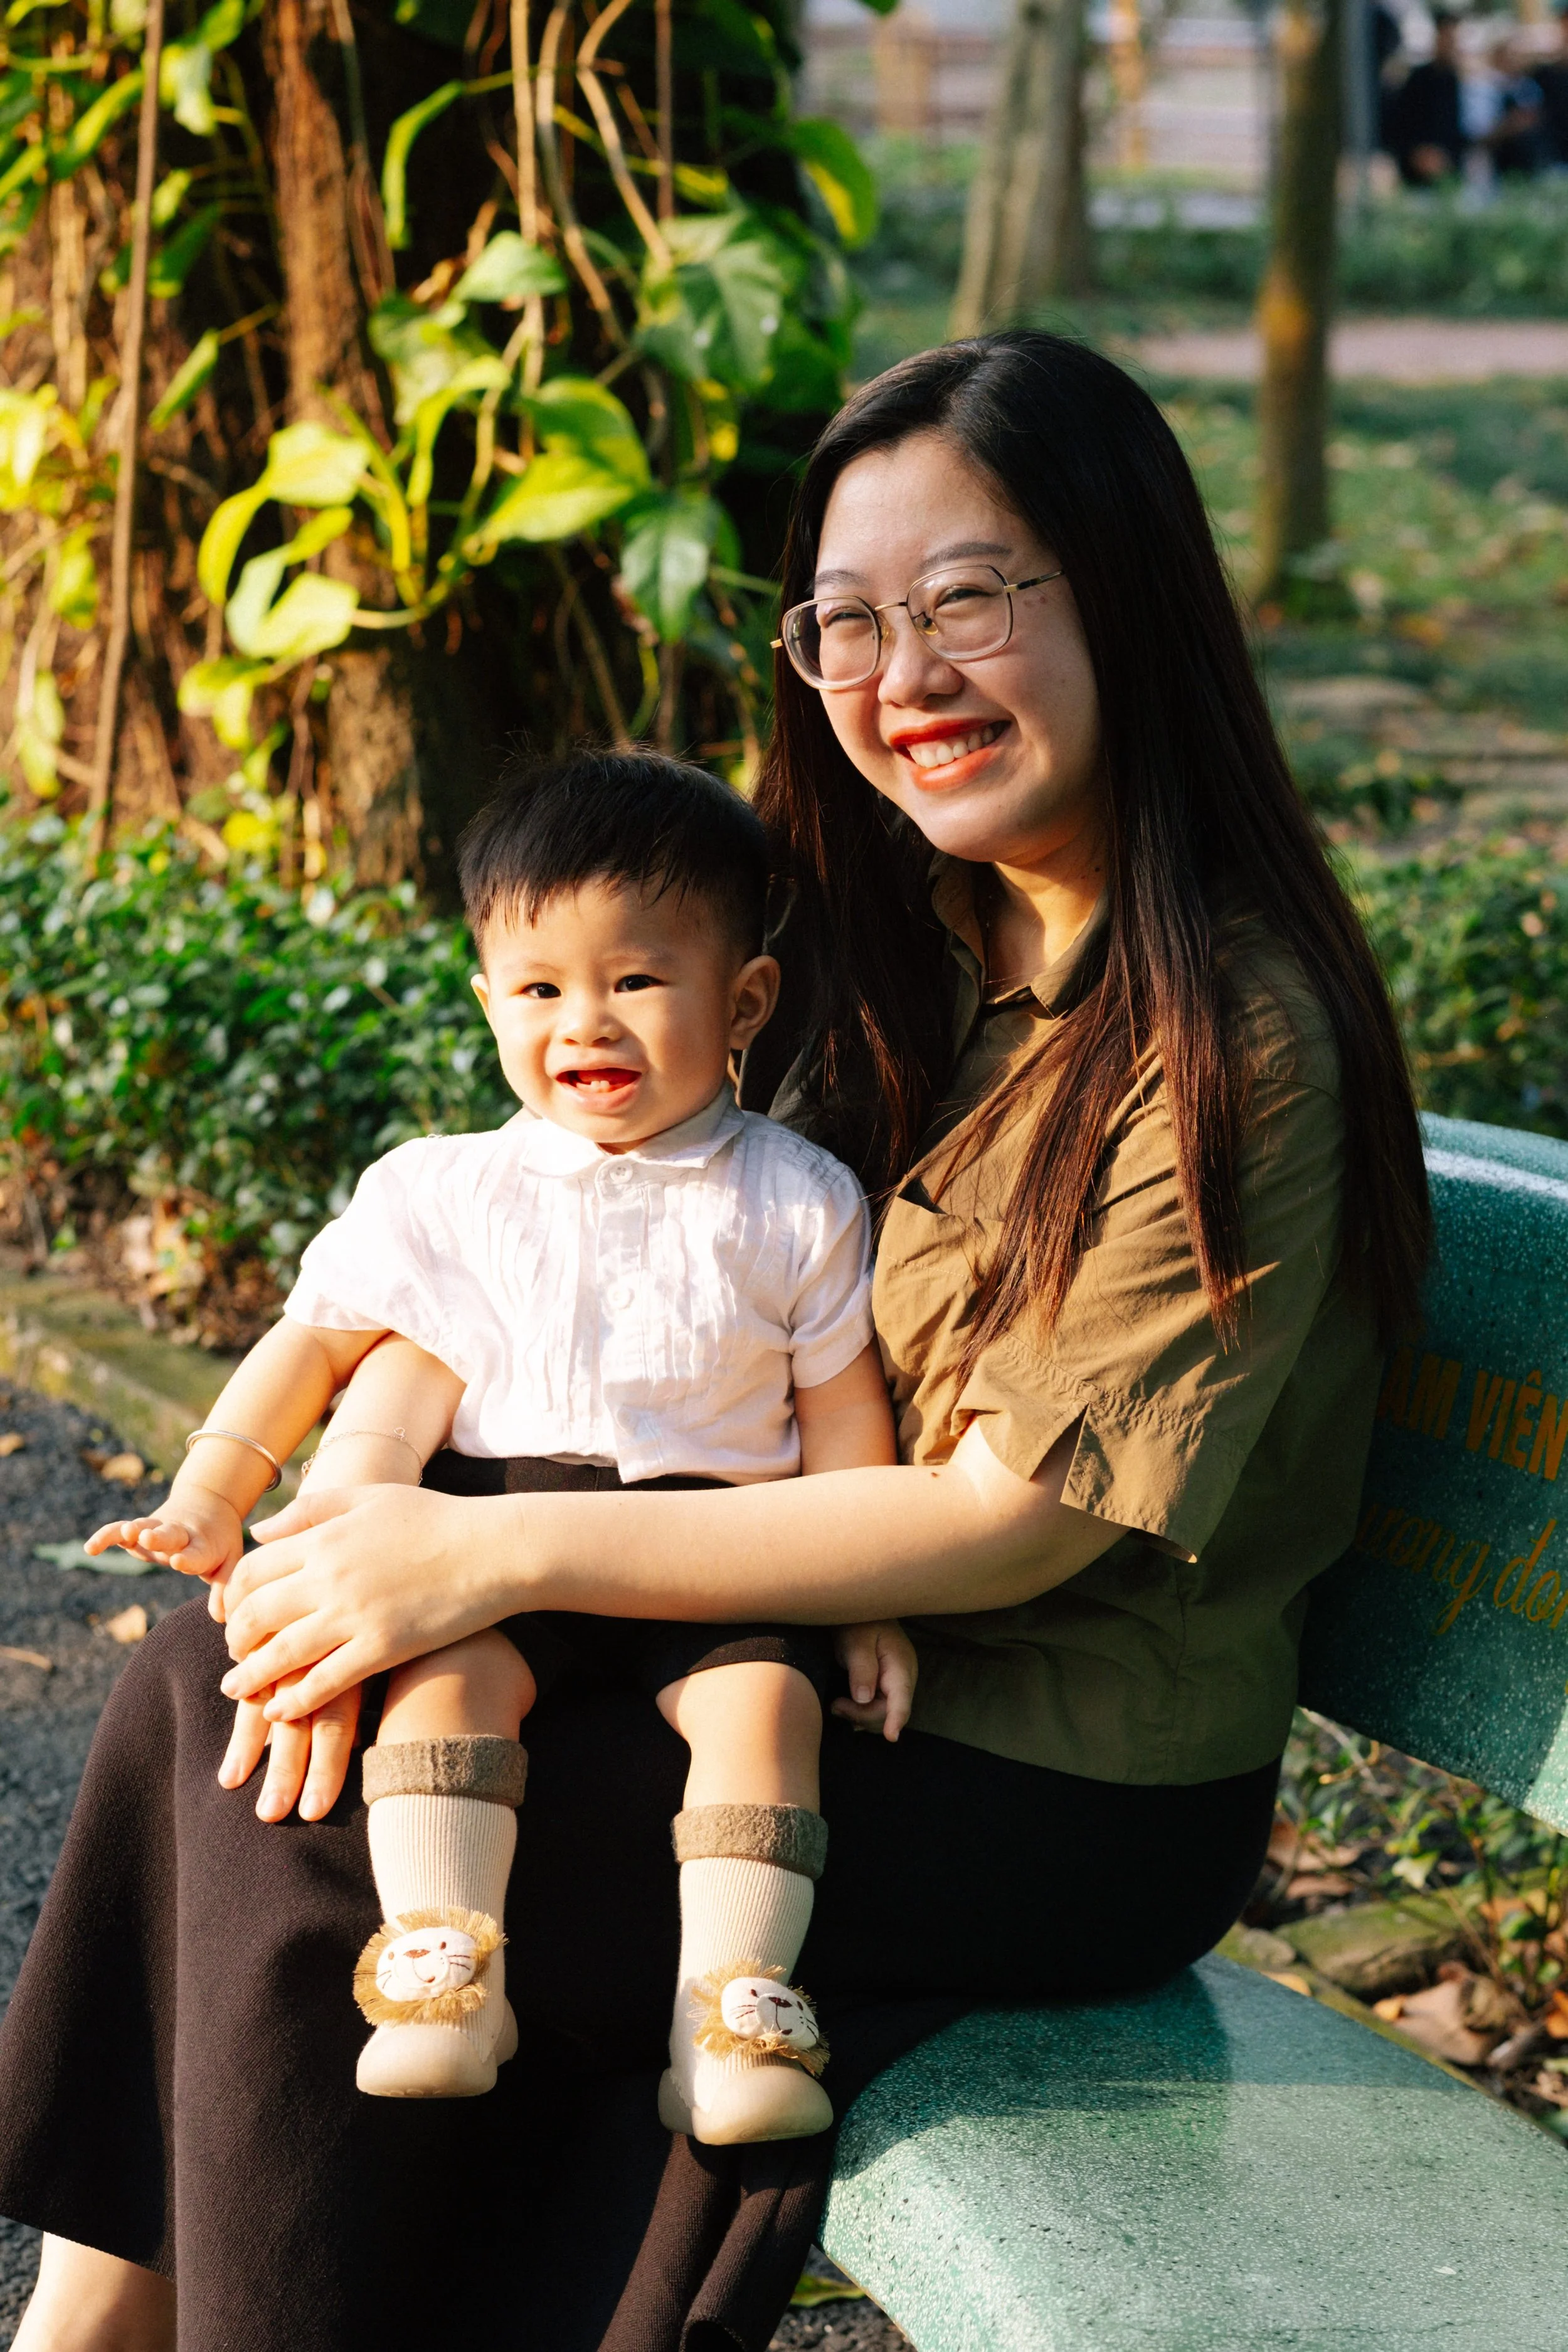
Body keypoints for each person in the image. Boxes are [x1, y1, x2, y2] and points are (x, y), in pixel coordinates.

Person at [0, 330, 1433, 2352]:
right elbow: (560, 1277)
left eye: (967, 598)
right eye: (847, 623)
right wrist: (364, 1512)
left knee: (318, 1848)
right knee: (218, 1681)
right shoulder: (890, 944)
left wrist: (484, 1552)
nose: (902, 678)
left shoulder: (1230, 1035)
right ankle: (98, 2321)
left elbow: (1004, 1530)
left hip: (1043, 1767)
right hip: (787, 1645)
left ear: (1120, 595)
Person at [83, 749, 914, 2139]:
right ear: (486, 1003)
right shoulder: (444, 1191)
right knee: (445, 1690)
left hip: (718, 1545)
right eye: (538, 989)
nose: (585, 1022)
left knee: (762, 1714)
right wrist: (212, 1489)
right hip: (493, 1533)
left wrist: (872, 1597)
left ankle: (730, 2010)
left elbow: (842, 1417)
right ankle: (445, 1966)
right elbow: (315, 1343)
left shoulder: (795, 1200)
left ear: (744, 999)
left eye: (638, 980)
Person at [1389, 9, 1466, 184]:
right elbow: (1402, 123)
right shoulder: (1419, 78)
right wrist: (1418, 152)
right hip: (1418, 166)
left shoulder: (1457, 80)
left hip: (1451, 164)